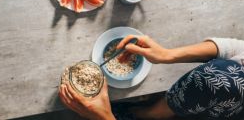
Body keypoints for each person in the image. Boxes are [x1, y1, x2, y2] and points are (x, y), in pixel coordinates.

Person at [59, 35, 244, 120]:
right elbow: (237, 49)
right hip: (182, 103)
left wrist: (104, 117)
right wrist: (167, 54)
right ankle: (150, 112)